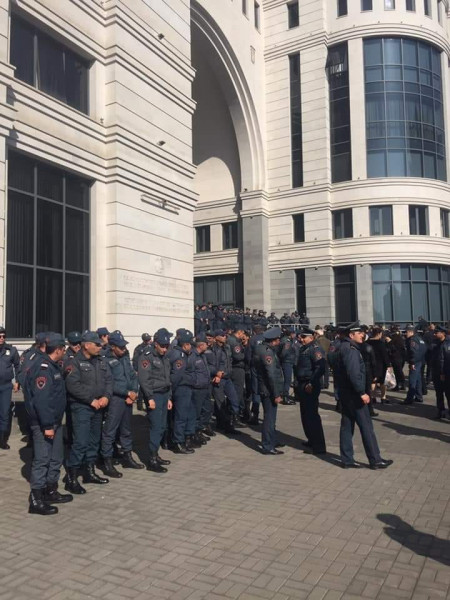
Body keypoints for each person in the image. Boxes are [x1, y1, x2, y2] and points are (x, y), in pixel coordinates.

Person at [334, 322, 393, 470]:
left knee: (347, 426)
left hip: (346, 393)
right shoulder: (351, 349)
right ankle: (375, 459)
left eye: (362, 332)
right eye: (359, 333)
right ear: (351, 335)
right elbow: (354, 374)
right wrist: (361, 392)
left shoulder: (342, 347)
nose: (363, 335)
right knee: (366, 426)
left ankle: (347, 459)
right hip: (355, 395)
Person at [25, 333, 73, 515]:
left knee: (56, 457)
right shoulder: (43, 368)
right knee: (42, 459)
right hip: (44, 424)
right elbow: (42, 401)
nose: (65, 352)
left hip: (54, 421)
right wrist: (47, 426)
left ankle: (50, 490)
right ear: (58, 350)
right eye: (63, 349)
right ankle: (36, 500)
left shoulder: (53, 366)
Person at [64, 331, 113, 494]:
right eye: (97, 344)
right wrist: (90, 400)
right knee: (81, 442)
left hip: (98, 406)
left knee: (94, 441)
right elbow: (72, 385)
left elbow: (109, 380)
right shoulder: (74, 362)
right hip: (82, 407)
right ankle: (71, 478)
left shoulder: (101, 361)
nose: (100, 347)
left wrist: (106, 396)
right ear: (86, 345)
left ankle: (89, 472)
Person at [101, 331, 143, 477]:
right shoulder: (105, 360)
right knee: (110, 431)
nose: (124, 349)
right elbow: (109, 383)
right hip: (115, 399)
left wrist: (134, 392)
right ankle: (107, 461)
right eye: (120, 347)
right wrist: (127, 393)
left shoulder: (125, 357)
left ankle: (127, 456)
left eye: (124, 346)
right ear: (112, 346)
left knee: (126, 429)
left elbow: (133, 375)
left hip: (128, 398)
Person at [138, 330, 172, 472]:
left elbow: (167, 379)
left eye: (167, 346)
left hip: (164, 394)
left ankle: (156, 454)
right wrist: (149, 398)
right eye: (162, 346)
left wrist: (169, 397)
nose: (165, 349)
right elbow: (144, 380)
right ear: (156, 344)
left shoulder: (165, 357)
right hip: (155, 395)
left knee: (162, 426)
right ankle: (151, 459)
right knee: (156, 427)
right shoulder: (147, 356)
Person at [295, 328, 326, 455]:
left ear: (311, 338)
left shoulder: (315, 349)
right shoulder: (304, 348)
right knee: (305, 414)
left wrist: (311, 383)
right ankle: (311, 439)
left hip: (310, 385)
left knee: (312, 416)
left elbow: (320, 367)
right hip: (302, 384)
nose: (301, 339)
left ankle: (319, 446)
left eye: (304, 337)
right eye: (301, 337)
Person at [168, 329, 200, 454]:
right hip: (181, 388)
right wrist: (171, 392)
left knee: (189, 414)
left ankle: (186, 438)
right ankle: (178, 442)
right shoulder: (179, 356)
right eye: (189, 344)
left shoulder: (185, 354)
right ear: (185, 344)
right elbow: (176, 376)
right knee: (180, 417)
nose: (191, 346)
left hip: (187, 387)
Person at [254, 327, 284, 455]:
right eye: (278, 340)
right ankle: (267, 445)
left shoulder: (260, 348)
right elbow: (271, 375)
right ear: (273, 340)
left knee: (270, 417)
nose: (279, 342)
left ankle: (272, 440)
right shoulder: (268, 353)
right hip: (269, 390)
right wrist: (276, 394)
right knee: (269, 419)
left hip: (264, 387)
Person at [191, 333, 214, 439]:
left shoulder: (203, 355)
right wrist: (195, 383)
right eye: (206, 343)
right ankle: (195, 433)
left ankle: (200, 430)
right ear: (201, 345)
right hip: (197, 389)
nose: (208, 345)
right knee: (197, 412)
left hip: (206, 387)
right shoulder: (193, 356)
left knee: (207, 410)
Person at [0, 326, 20, 450]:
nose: (2, 338)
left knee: (4, 413)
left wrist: (17, 381)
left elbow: (17, 366)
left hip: (5, 386)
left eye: (3, 336)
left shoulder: (11, 350)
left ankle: (2, 440)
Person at [367, 327, 392, 404]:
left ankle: (373, 397)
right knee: (382, 382)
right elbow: (385, 355)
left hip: (370, 364)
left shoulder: (367, 343)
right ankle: (383, 397)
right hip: (381, 365)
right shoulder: (381, 343)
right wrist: (388, 365)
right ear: (378, 334)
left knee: (373, 381)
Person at [404, 325, 427, 405]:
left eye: (406, 332)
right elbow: (424, 349)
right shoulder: (419, 338)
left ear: (411, 332)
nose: (405, 333)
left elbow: (414, 352)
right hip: (420, 361)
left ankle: (409, 399)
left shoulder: (413, 340)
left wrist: (412, 362)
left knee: (412, 380)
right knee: (418, 380)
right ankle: (419, 396)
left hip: (415, 362)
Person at [132, 333, 152, 410]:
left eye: (149, 339)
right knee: (141, 388)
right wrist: (136, 370)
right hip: (141, 370)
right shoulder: (139, 348)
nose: (149, 341)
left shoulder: (152, 346)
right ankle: (139, 404)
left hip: (149, 370)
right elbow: (135, 359)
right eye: (147, 340)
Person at [280, 327, 296, 405]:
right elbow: (284, 353)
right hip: (287, 362)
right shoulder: (287, 341)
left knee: (287, 380)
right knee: (287, 380)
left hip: (287, 361)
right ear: (291, 334)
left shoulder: (286, 339)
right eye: (294, 333)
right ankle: (285, 398)